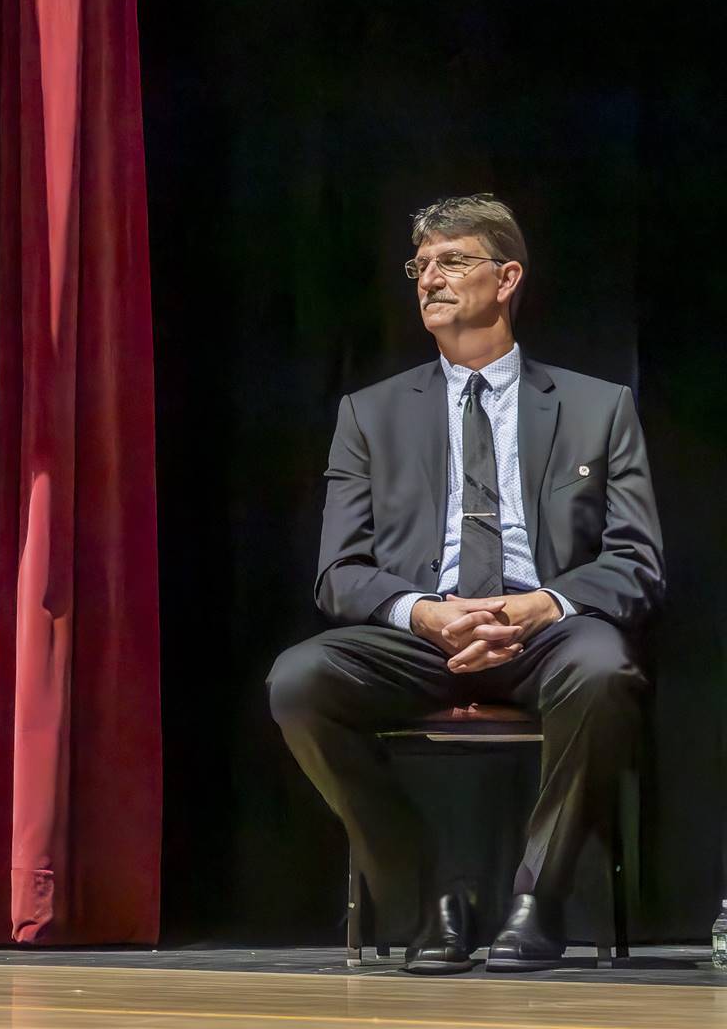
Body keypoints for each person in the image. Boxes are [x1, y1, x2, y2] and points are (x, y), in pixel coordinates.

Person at [267, 194, 663, 974]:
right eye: (421, 265)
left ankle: (536, 902)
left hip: (548, 630)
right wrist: (425, 615)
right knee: (299, 681)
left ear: (507, 276)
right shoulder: (370, 414)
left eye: (453, 261)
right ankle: (429, 904)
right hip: (423, 637)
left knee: (603, 667)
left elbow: (636, 559)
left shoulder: (597, 408)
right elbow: (339, 571)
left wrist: (541, 602)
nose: (430, 279)